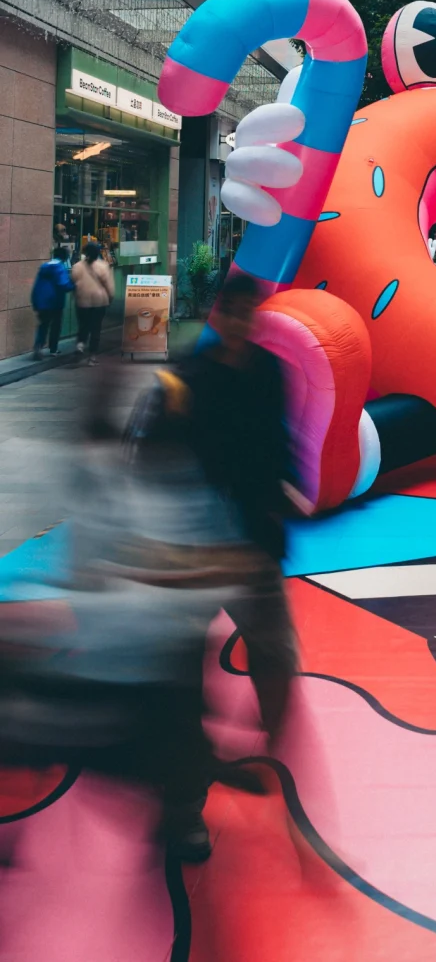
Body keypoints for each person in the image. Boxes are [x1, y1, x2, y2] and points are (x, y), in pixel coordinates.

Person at [128, 276, 299, 789]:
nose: (242, 322)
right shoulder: (186, 378)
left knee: (274, 651)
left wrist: (285, 495)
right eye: (235, 311)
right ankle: (185, 798)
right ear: (219, 314)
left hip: (251, 541)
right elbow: (148, 458)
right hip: (195, 547)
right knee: (181, 661)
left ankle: (274, 745)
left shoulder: (268, 371)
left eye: (252, 313)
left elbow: (279, 442)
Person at [71, 239, 114, 362]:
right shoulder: (103, 266)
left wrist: (76, 296)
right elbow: (109, 286)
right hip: (99, 302)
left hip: (82, 301)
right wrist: (111, 297)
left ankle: (80, 345)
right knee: (96, 328)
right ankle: (92, 356)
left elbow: (74, 283)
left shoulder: (77, 266)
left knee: (83, 325)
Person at [30, 245, 73, 357]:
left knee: (43, 324)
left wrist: (35, 301)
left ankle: (39, 345)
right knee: (56, 326)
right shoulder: (60, 267)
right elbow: (63, 284)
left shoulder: (44, 266)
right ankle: (53, 349)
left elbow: (36, 286)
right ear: (64, 257)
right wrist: (74, 285)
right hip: (55, 302)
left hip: (41, 302)